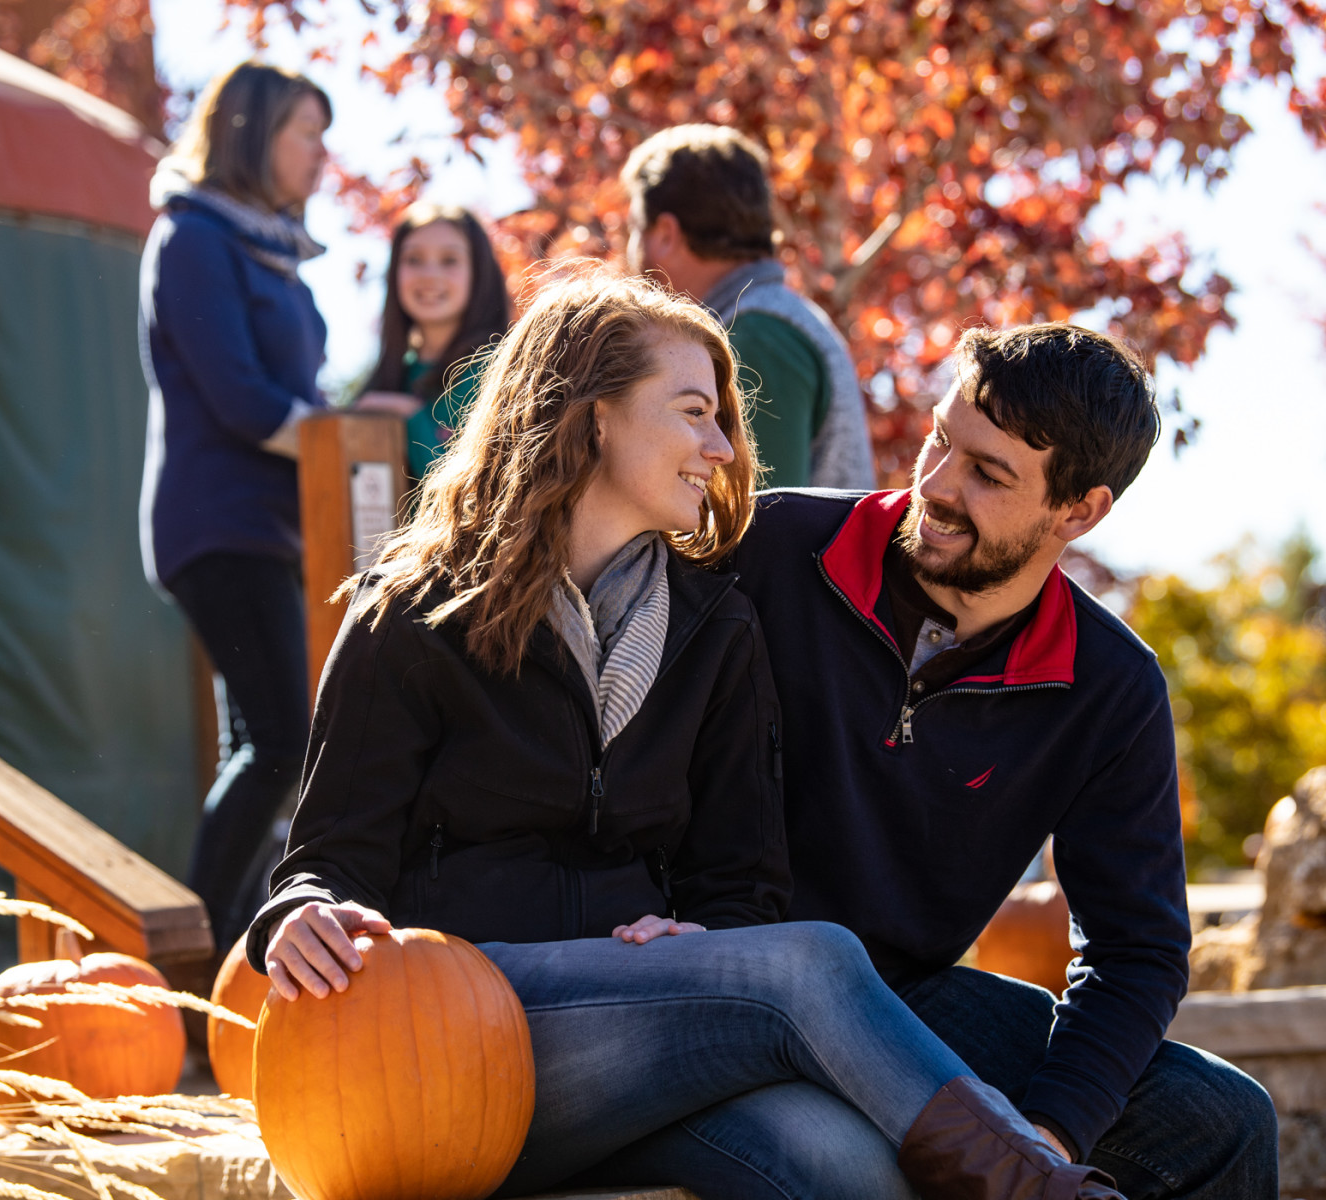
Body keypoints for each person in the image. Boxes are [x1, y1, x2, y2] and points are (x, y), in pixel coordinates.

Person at [244, 272, 1125, 1200]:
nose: (722, 446)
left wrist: (700, 934)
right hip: (445, 1040)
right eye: (694, 412)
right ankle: (1047, 1193)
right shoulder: (415, 615)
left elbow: (740, 884)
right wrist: (298, 915)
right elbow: (326, 857)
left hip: (637, 1048)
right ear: (594, 420)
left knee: (844, 1163)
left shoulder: (716, 629)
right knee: (817, 962)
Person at [671, 322, 1276, 1198]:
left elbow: (1136, 949)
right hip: (714, 970)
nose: (938, 486)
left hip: (907, 1002)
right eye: (942, 440)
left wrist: (1051, 1128)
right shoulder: (768, 549)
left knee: (1223, 1119)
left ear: (1080, 511)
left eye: (989, 474)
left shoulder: (1111, 687)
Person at [138, 62, 331, 952]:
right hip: (218, 528)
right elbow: (245, 400)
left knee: (261, 746)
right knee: (285, 745)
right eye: (306, 133)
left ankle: (230, 967)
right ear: (255, 134)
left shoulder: (272, 248)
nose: (321, 155)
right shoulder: (192, 240)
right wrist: (343, 436)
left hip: (271, 531)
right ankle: (186, 960)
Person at [622, 124, 876, 491]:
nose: (627, 253)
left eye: (633, 230)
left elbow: (753, 522)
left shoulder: (753, 338)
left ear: (665, 234)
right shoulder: (768, 321)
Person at [353, 204, 512, 477]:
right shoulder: (393, 374)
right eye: (413, 260)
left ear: (479, 271)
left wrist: (410, 415)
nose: (429, 274)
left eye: (449, 260)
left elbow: (481, 494)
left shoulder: (503, 373)